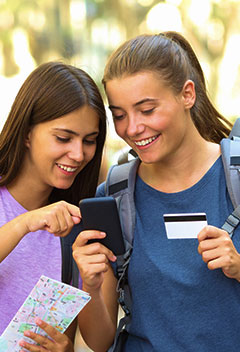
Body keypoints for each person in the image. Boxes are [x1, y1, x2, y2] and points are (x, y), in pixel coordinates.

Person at [72, 31, 240, 352]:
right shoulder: (114, 196)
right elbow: (99, 340)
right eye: (119, 115)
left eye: (147, 110)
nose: (132, 128)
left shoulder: (235, 176)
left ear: (187, 94)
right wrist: (90, 287)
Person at [0, 61, 107, 352]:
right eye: (63, 138)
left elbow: (97, 341)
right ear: (26, 133)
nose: (78, 154)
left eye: (89, 140)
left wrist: (64, 349)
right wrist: (25, 223)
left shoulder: (78, 224)